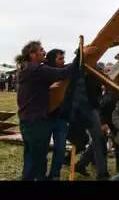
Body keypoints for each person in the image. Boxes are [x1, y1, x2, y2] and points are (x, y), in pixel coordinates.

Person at [15, 40, 97, 181]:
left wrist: (47, 89)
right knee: (37, 159)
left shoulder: (28, 69)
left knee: (31, 156)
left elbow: (32, 90)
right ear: (32, 54)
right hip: (35, 122)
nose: (44, 51)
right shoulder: (37, 69)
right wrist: (81, 54)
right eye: (41, 50)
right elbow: (66, 72)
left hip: (28, 121)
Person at [44, 49, 70, 181]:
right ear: (52, 59)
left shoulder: (64, 72)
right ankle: (41, 175)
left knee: (60, 150)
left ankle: (55, 175)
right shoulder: (43, 73)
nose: (63, 61)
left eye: (63, 58)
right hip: (45, 118)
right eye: (60, 58)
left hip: (61, 118)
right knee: (42, 150)